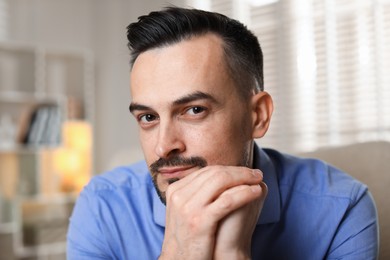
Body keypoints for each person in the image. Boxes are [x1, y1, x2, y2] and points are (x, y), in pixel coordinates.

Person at [67, 7, 378, 259]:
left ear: (258, 116)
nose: (163, 146)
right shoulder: (101, 206)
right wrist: (179, 252)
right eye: (148, 116)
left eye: (194, 110)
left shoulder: (342, 208)